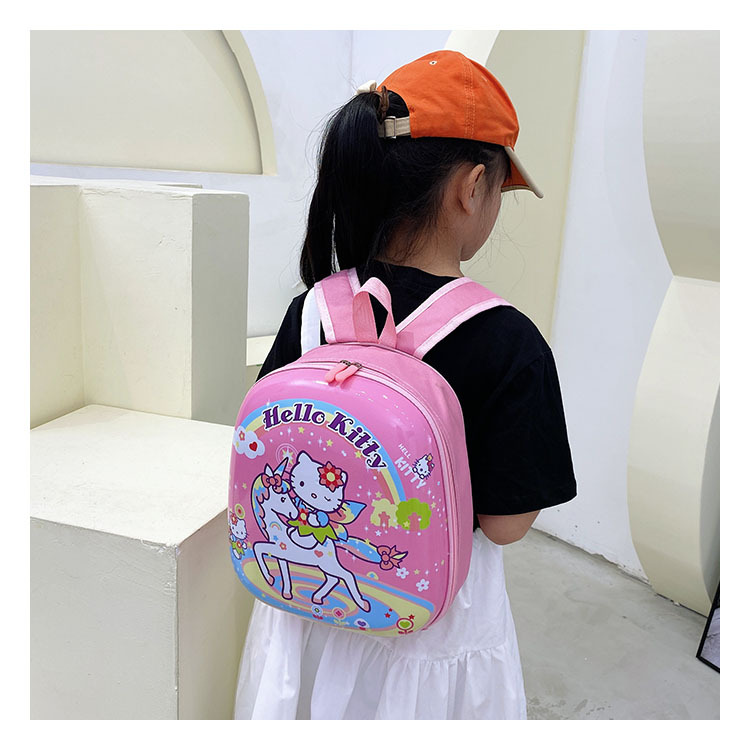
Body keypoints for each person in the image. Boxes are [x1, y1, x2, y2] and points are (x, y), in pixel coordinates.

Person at [234, 49, 577, 720]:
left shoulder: (312, 310)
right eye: (499, 190)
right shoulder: (508, 341)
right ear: (471, 188)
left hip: (305, 620)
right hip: (431, 628)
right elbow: (506, 526)